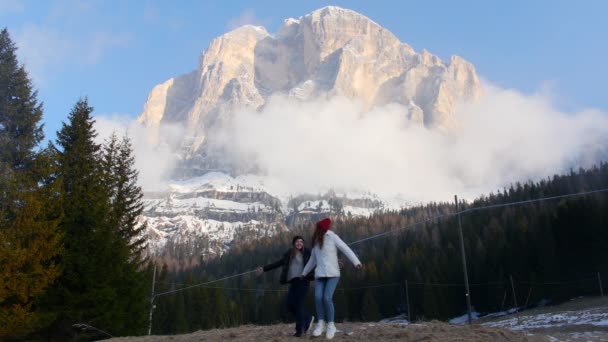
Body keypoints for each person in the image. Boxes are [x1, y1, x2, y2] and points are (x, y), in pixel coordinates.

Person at [301, 217, 362, 340]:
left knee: (327, 298)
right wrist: (304, 272)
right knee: (318, 297)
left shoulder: (332, 237)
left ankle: (331, 325)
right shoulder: (316, 241)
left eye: (319, 228)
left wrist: (356, 262)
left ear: (323, 228)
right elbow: (313, 260)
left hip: (333, 274)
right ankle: (321, 324)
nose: (317, 229)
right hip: (320, 275)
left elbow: (345, 248)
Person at [256, 236, 314, 337]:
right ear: (294, 243)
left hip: (304, 281)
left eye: (301, 242)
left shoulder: (308, 252)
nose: (299, 243)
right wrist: (264, 269)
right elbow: (278, 263)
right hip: (293, 282)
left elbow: (318, 260)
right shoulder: (289, 254)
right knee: (290, 305)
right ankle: (307, 318)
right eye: (297, 241)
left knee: (298, 305)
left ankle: (299, 330)